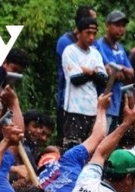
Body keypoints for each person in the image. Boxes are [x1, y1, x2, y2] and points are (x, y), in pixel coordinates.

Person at [61, 17, 107, 149]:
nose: (91, 37)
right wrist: (94, 74)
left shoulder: (96, 54)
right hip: (74, 109)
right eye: (88, 33)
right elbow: (75, 79)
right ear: (78, 33)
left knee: (90, 148)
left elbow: (104, 80)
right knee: (72, 147)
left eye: (94, 33)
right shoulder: (70, 51)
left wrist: (89, 72)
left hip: (92, 109)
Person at [55, 5, 97, 141]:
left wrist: (91, 72)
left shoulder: (93, 46)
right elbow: (76, 73)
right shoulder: (66, 43)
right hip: (68, 103)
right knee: (70, 142)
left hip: (90, 104)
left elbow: (102, 72)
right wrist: (92, 72)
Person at [94, 10, 135, 131]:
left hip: (116, 103)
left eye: (123, 26)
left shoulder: (121, 48)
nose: (121, 29)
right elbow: (108, 72)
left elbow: (131, 73)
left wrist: (120, 69)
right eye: (117, 25)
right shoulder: (98, 45)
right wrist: (119, 71)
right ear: (107, 25)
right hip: (103, 100)